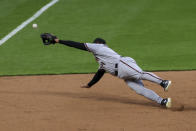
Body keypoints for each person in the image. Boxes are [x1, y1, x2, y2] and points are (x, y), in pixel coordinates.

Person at [40, 33, 172, 108]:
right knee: (139, 89)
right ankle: (162, 101)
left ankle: (163, 82)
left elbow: (78, 45)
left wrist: (58, 41)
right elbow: (99, 73)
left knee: (140, 74)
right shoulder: (102, 60)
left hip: (123, 64)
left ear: (98, 44)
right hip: (122, 74)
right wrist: (89, 85)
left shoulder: (99, 47)